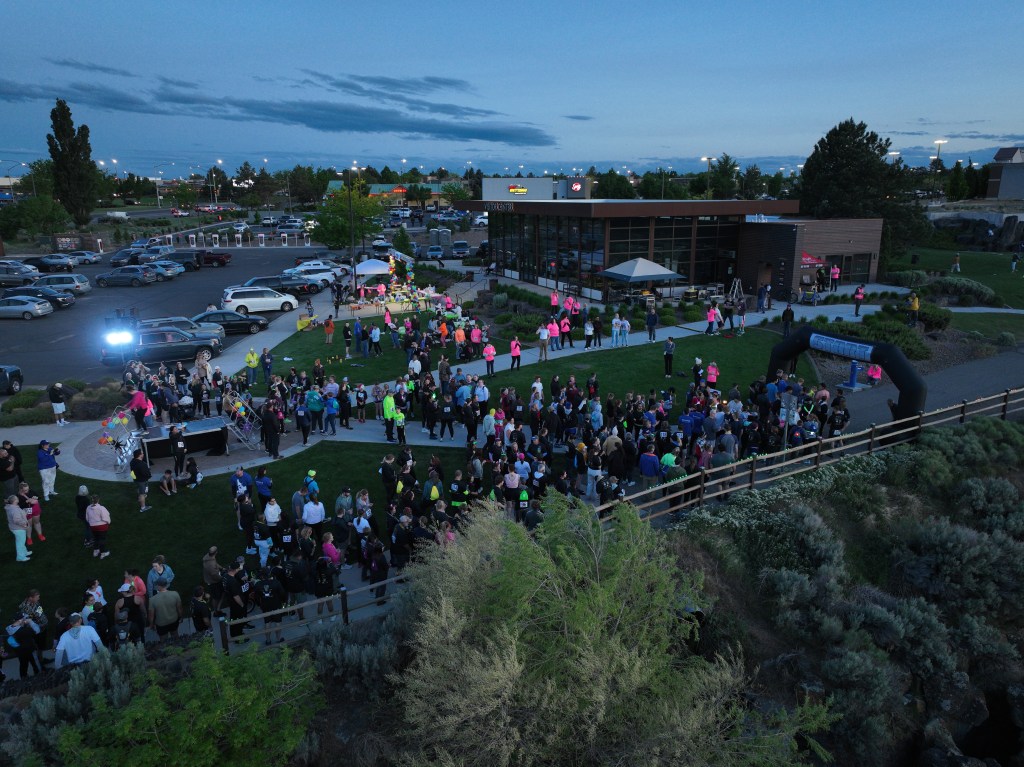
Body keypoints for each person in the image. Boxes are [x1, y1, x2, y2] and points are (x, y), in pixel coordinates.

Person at [6, 494, 31, 562]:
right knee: (20, 543)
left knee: (21, 541)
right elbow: (17, 520)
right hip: (18, 528)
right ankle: (20, 557)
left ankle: (24, 552)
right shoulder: (14, 509)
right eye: (17, 498)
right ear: (15, 501)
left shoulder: (13, 507)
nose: (18, 498)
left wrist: (24, 512)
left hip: (16, 528)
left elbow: (18, 515)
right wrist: (24, 523)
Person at [86, 494, 111, 558]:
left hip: (93, 527)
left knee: (96, 538)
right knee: (102, 539)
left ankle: (96, 551)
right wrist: (108, 522)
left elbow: (87, 518)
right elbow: (106, 517)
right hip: (102, 527)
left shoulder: (88, 508)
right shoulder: (101, 508)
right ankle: (103, 553)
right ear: (98, 500)